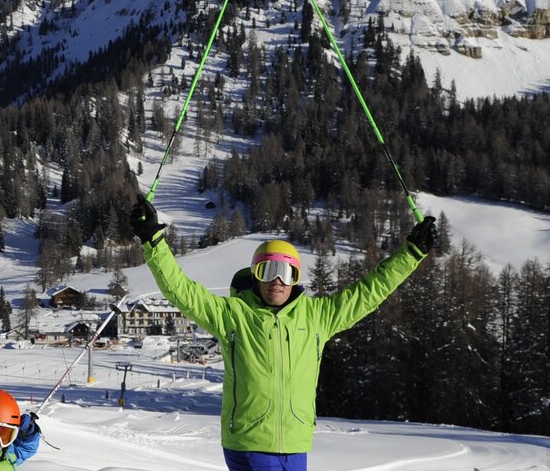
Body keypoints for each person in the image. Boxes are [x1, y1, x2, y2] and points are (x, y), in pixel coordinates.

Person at [131, 195, 439, 471]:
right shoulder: (233, 316)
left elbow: (369, 292)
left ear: (296, 279)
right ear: (255, 276)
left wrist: (411, 253)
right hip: (249, 442)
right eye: (268, 271)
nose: (277, 281)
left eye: (286, 272)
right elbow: (181, 291)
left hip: (295, 444)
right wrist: (153, 242)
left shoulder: (318, 317)